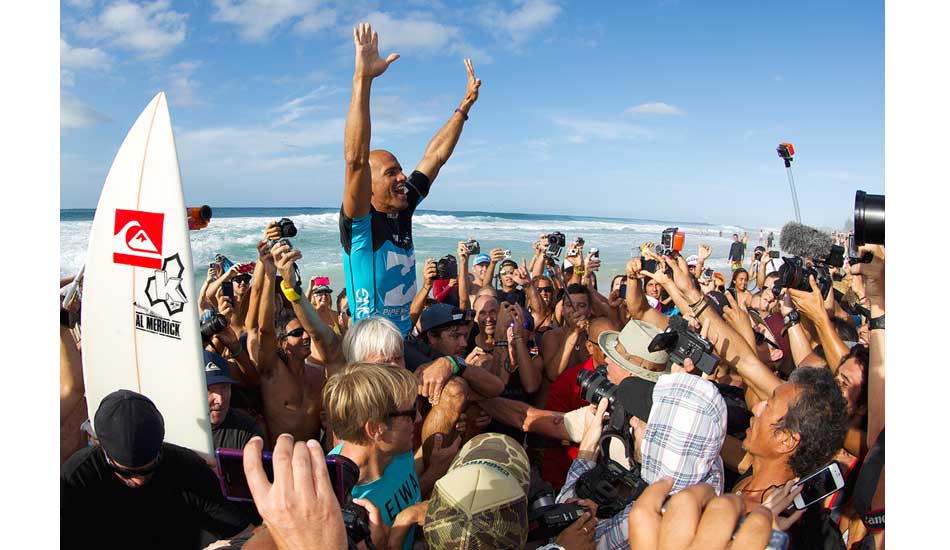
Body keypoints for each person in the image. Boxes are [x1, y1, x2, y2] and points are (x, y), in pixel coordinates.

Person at [339, 22, 481, 336]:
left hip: (404, 338)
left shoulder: (403, 208)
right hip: (371, 346)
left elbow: (436, 156)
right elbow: (354, 159)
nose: (403, 177)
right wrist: (362, 79)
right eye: (391, 173)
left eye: (400, 170)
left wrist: (465, 107)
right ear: (369, 186)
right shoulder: (362, 224)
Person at [557, 372, 728, 550]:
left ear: (662, 441)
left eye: (646, 422)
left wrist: (588, 445)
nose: (633, 422)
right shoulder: (710, 468)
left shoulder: (652, 513)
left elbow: (571, 532)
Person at [61, 390, 251, 549]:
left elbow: (245, 533)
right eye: (127, 472)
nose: (139, 480)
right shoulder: (75, 480)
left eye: (148, 469)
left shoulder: (186, 467)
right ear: (101, 448)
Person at [324, 363, 455, 550]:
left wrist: (432, 471)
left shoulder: (395, 450)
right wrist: (403, 524)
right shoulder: (336, 497)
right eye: (410, 412)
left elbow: (399, 489)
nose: (418, 418)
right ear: (375, 429)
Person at [205, 350, 264, 451]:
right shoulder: (172, 426)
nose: (220, 400)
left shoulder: (246, 429)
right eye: (209, 389)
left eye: (224, 388)